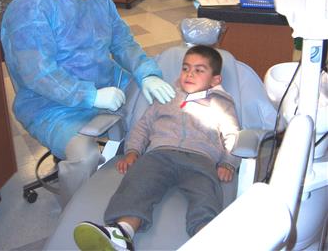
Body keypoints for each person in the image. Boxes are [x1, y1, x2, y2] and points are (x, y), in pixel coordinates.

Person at [1, 0, 175, 206]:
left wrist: (145, 71)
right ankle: (74, 217)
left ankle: (135, 181)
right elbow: (39, 75)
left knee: (154, 106)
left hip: (103, 84)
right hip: (49, 105)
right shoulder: (32, 8)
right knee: (84, 155)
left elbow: (122, 41)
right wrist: (90, 96)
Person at [73, 45, 240, 251]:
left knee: (205, 194)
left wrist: (228, 163)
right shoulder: (167, 96)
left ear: (215, 80)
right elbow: (143, 125)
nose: (189, 74)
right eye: (185, 68)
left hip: (201, 159)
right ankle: (122, 232)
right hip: (160, 154)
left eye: (199, 70)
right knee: (138, 184)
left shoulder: (221, 104)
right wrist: (133, 151)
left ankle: (205, 238)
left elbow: (232, 135)